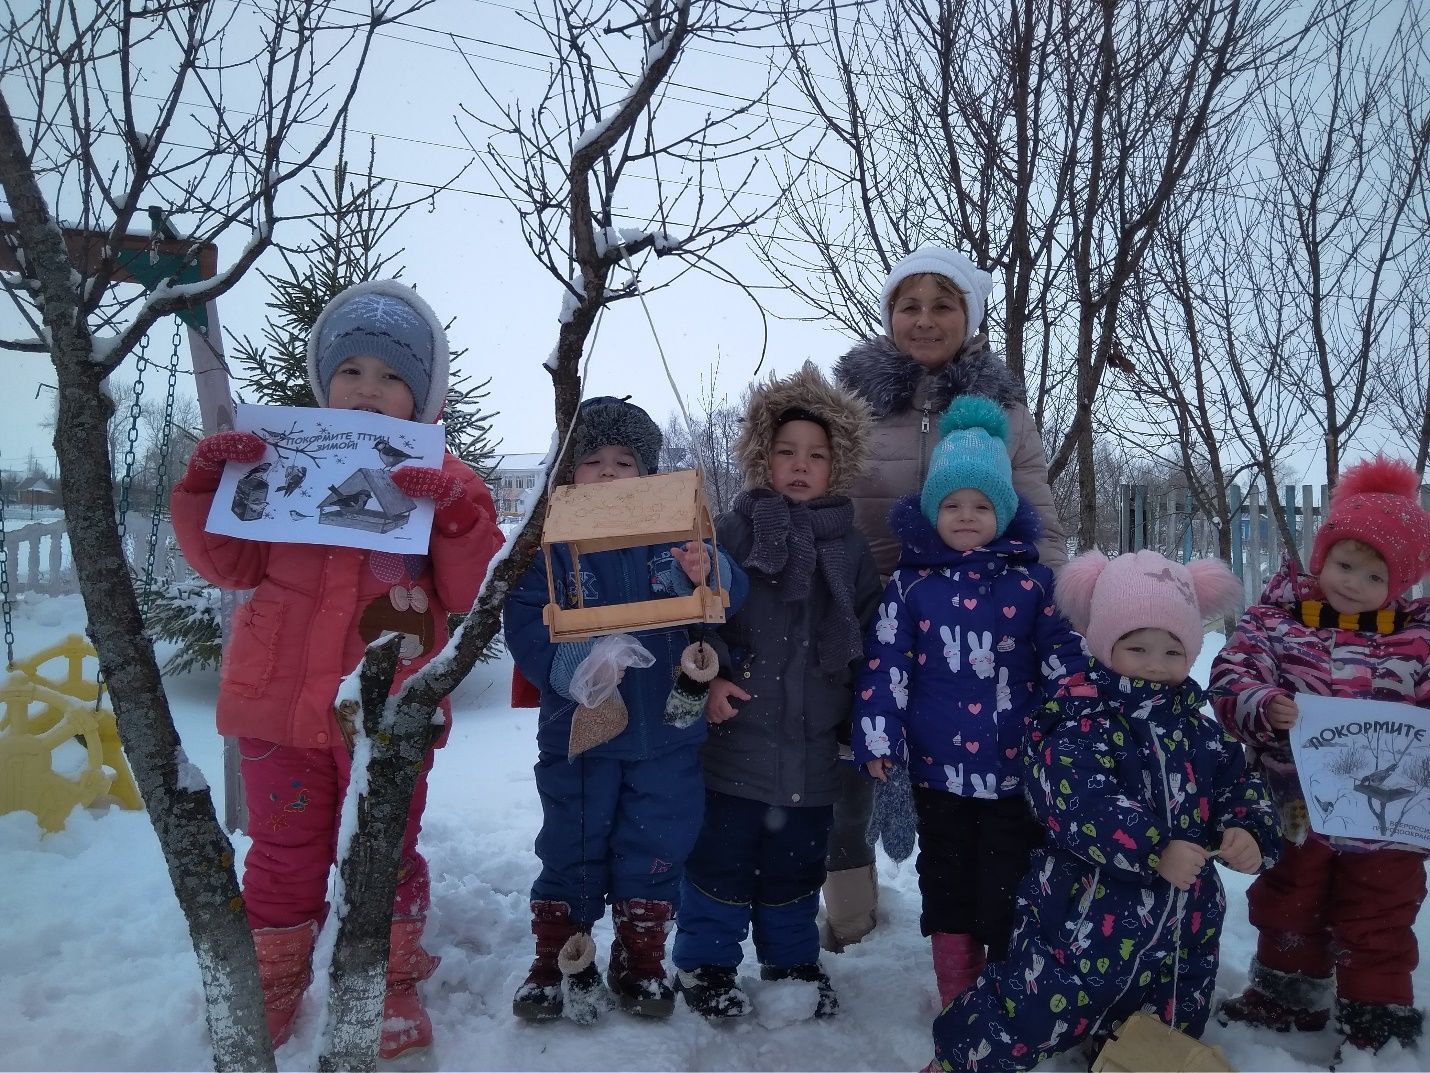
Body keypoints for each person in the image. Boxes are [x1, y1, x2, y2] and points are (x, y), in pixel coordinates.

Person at [170, 280, 504, 1058]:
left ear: (420, 395)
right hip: (276, 707)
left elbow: (469, 590)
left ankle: (386, 980)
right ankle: (274, 982)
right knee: (283, 851)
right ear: (325, 379)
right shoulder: (284, 456)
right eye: (351, 369)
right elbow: (226, 562)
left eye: (392, 377)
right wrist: (204, 483)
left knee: (383, 846)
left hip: (390, 713)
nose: (368, 390)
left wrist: (455, 512)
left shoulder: (445, 477)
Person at [929, 549, 1280, 1072]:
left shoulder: (1203, 734)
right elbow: (1079, 802)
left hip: (1183, 932)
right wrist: (1153, 847)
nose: (1156, 664)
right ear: (1102, 644)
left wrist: (1248, 831)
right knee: (1027, 1014)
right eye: (1136, 647)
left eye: (1172, 649)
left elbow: (1242, 788)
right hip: (1085, 921)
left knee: (1166, 1031)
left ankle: (1124, 1054)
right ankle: (962, 1059)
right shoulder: (1078, 721)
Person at [826, 245, 1069, 951]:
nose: (925, 319)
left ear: (970, 315)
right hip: (869, 605)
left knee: (978, 767)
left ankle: (994, 912)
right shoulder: (854, 402)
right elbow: (826, 496)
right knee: (852, 756)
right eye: (910, 304)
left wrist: (1051, 600)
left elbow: (1038, 509)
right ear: (889, 314)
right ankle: (849, 911)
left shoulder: (1004, 408)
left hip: (982, 620)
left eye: (943, 304)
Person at [502, 396, 747, 1024]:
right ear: (567, 473)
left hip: (667, 731)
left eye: (625, 461)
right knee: (572, 839)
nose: (610, 474)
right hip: (579, 732)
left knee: (658, 840)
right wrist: (574, 668)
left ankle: (641, 954)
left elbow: (727, 592)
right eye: (593, 462)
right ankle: (558, 954)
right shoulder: (550, 545)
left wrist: (707, 569)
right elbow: (524, 620)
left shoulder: (671, 539)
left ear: (648, 473)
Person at [852, 396, 1087, 1010]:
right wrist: (879, 736)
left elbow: (1065, 658)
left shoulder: (1033, 583)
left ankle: (1005, 990)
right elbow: (887, 665)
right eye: (952, 504)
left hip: (1016, 771)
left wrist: (1084, 718)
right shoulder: (910, 586)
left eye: (981, 505)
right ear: (933, 510)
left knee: (1009, 882)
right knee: (947, 881)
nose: (965, 516)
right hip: (938, 772)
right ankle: (957, 993)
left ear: (1004, 512)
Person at [670, 362, 882, 1021]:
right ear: (763, 457)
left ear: (836, 464)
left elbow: (871, 638)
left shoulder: (849, 548)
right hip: (734, 748)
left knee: (794, 868)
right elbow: (701, 617)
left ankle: (791, 962)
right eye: (786, 451)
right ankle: (705, 963)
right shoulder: (733, 532)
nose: (799, 464)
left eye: (816, 454)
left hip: (814, 755)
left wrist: (864, 721)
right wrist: (712, 676)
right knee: (719, 863)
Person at [1213, 455, 1430, 1059]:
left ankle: (1378, 1017)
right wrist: (1263, 702)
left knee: (1380, 912)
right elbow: (1232, 673)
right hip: (1294, 801)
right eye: (1344, 564)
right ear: (1321, 557)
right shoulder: (1277, 623)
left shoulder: (1417, 641)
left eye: (1373, 576)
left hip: (1389, 821)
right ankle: (1288, 994)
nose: (1352, 583)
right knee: (1290, 896)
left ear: (1401, 583)